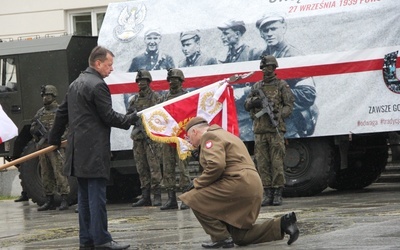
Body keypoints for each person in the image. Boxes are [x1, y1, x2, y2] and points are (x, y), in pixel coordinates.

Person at [48, 46, 138, 250]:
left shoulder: (75, 84)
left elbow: (62, 113)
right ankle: (102, 240)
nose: (111, 69)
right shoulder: (97, 85)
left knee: (85, 199)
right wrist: (130, 119)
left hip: (78, 152)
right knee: (96, 199)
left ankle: (87, 240)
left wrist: (53, 139)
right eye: (109, 64)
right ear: (98, 63)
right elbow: (108, 116)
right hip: (94, 151)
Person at [179, 117, 299, 248]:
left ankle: (220, 238)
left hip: (238, 183)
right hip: (252, 185)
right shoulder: (225, 134)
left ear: (195, 131)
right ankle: (283, 224)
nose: (189, 141)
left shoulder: (209, 136)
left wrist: (197, 182)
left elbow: (216, 165)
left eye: (189, 136)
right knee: (240, 237)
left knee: (192, 197)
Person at [254, 14, 318, 138]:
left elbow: (308, 94)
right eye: (265, 30)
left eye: (273, 29)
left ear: (283, 28)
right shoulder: (262, 56)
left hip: (290, 126)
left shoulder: (293, 56)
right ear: (261, 34)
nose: (269, 33)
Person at [244, 55, 294, 206]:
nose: (266, 70)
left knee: (277, 161)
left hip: (275, 130)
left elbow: (289, 105)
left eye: (269, 67)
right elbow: (246, 105)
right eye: (263, 68)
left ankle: (278, 192)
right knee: (262, 163)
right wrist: (255, 102)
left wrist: (280, 115)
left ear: (274, 68)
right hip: (260, 131)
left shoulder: (281, 85)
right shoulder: (256, 87)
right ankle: (267, 192)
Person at [30, 85, 70, 211]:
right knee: (46, 173)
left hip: (56, 147)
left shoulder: (59, 111)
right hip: (43, 147)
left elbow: (68, 127)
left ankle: (64, 199)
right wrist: (36, 132)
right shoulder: (40, 113)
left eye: (47, 95)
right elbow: (33, 127)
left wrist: (59, 138)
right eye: (43, 96)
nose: (45, 98)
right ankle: (49, 199)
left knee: (60, 172)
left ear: (53, 96)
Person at [129, 70, 163, 207]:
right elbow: (128, 118)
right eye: (139, 80)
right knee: (141, 168)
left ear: (149, 82)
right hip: (138, 138)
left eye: (144, 80)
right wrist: (134, 118)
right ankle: (145, 196)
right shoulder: (134, 100)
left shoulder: (155, 98)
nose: (141, 83)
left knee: (154, 167)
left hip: (151, 138)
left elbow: (160, 116)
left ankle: (157, 195)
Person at [160, 68, 191, 211]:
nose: (172, 82)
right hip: (168, 138)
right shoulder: (164, 98)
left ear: (181, 81)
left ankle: (186, 198)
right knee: (168, 168)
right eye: (170, 79)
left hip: (181, 138)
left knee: (183, 168)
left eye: (175, 79)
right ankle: (171, 198)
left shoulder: (186, 96)